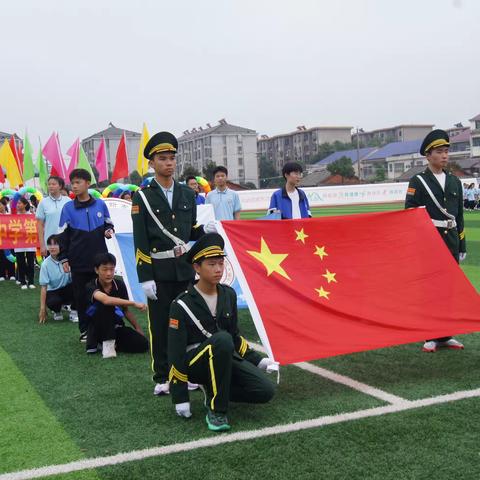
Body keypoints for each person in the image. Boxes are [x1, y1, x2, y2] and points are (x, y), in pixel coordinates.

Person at [131, 131, 216, 395]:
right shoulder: (142, 196)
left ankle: (185, 372)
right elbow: (141, 240)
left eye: (171, 158)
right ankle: (163, 376)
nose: (168, 163)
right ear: (152, 163)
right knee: (159, 325)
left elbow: (188, 231)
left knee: (186, 324)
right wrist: (145, 276)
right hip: (158, 271)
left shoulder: (187, 195)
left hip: (183, 269)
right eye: (162, 159)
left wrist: (205, 230)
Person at [168, 233, 276, 431]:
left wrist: (257, 360)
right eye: (211, 264)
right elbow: (175, 353)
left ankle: (214, 391)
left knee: (265, 390)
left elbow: (235, 336)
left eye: (220, 263)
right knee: (222, 340)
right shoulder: (181, 304)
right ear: (196, 267)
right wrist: (180, 396)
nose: (218, 269)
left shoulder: (229, 294)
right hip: (196, 364)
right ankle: (217, 411)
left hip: (224, 353)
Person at [405, 129, 466, 353]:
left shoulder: (454, 182)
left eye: (446, 152)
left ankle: (446, 334)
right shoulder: (418, 181)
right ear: (428, 155)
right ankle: (430, 335)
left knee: (449, 290)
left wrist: (462, 245)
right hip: (429, 243)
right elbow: (410, 212)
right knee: (431, 290)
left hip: (451, 241)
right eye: (440, 152)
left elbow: (459, 216)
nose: (445, 156)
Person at [57, 168, 114, 344]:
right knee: (81, 297)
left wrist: (109, 230)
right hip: (78, 262)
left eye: (78, 182)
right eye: (72, 183)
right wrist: (64, 258)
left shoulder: (100, 205)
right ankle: (85, 330)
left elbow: (108, 223)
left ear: (88, 184)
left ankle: (104, 329)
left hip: (100, 263)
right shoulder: (67, 208)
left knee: (102, 296)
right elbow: (62, 236)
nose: (74, 186)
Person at [84, 252, 148, 358]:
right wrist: (134, 303)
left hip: (116, 326)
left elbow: (125, 310)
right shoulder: (90, 286)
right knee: (106, 305)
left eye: (112, 269)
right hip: (97, 327)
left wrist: (138, 328)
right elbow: (106, 300)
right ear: (96, 270)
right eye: (105, 269)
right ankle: (106, 344)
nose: (109, 273)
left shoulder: (120, 285)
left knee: (143, 344)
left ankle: (111, 344)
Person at [38, 234, 77, 323]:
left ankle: (74, 311)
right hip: (54, 291)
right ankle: (57, 311)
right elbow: (44, 288)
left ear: (61, 246)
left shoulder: (68, 259)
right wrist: (42, 308)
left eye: (55, 244)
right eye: (50, 245)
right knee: (53, 301)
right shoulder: (45, 264)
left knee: (79, 286)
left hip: (68, 289)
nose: (52, 247)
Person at [36, 176, 71, 257]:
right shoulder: (43, 203)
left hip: (66, 242)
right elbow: (39, 225)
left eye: (54, 184)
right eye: (49, 184)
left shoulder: (68, 201)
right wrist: (42, 245)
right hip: (50, 244)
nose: (51, 186)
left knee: (66, 268)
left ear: (60, 186)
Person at [15, 197, 36, 290]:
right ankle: (22, 281)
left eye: (20, 203)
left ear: (25, 204)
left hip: (30, 241)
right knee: (20, 262)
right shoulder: (14, 215)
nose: (18, 205)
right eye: (17, 203)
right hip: (18, 242)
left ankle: (31, 281)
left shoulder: (31, 215)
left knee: (31, 262)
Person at [0, 199, 15, 281]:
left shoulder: (9, 215)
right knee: (1, 256)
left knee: (11, 256)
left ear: (5, 205)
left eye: (1, 205)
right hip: (1, 239)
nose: (0, 207)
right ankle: (1, 274)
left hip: (10, 239)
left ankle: (11, 274)